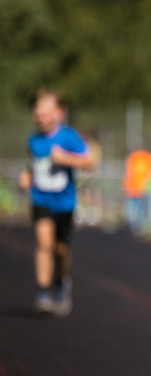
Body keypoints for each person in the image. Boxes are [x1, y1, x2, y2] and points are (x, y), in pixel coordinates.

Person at [17, 88, 97, 317]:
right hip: (40, 199)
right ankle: (43, 291)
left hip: (65, 202)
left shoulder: (69, 137)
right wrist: (26, 177)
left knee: (61, 250)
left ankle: (62, 282)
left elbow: (90, 162)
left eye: (47, 111)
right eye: (38, 112)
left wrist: (65, 158)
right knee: (44, 243)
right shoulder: (32, 140)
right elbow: (33, 164)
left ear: (60, 113)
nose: (42, 116)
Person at [123, 146, 151, 234]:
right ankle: (133, 227)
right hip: (132, 188)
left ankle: (141, 227)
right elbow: (128, 172)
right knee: (133, 210)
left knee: (141, 209)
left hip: (142, 188)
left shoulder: (146, 157)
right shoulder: (133, 157)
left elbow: (150, 172)